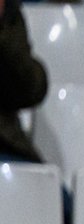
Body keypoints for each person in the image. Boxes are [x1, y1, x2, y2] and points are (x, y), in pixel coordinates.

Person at [0, 0, 47, 163]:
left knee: (51, 187)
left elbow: (30, 91)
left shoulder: (9, 12)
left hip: (7, 149)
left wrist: (2, 27)